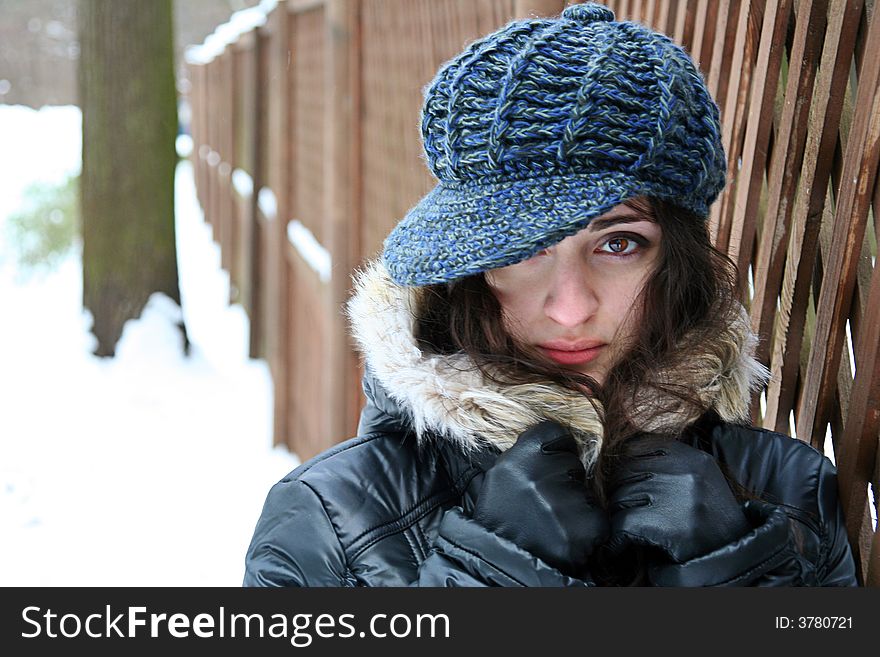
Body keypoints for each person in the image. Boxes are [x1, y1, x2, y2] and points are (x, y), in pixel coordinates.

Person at [243, 3, 858, 586]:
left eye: (618, 244)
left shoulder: (789, 499)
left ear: (678, 261)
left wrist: (738, 579)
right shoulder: (331, 520)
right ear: (463, 270)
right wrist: (487, 578)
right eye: (522, 249)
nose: (570, 308)